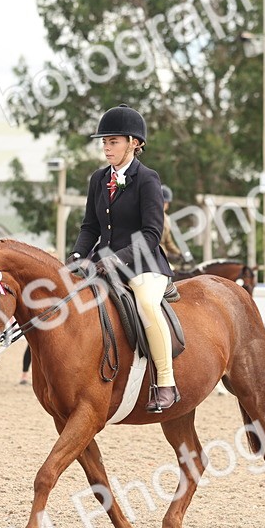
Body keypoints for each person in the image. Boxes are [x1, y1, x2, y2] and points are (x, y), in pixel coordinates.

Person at [70, 104, 177, 412]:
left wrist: (117, 259)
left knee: (146, 304)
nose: (106, 147)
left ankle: (166, 382)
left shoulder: (147, 179)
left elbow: (151, 233)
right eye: (104, 142)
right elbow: (90, 227)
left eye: (112, 141)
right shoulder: (98, 179)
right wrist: (76, 256)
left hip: (145, 267)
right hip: (104, 264)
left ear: (134, 143)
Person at [159, 185, 192, 266]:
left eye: (166, 202)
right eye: (164, 202)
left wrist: (179, 253)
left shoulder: (166, 219)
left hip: (162, 256)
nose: (166, 205)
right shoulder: (148, 216)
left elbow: (168, 241)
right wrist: (167, 254)